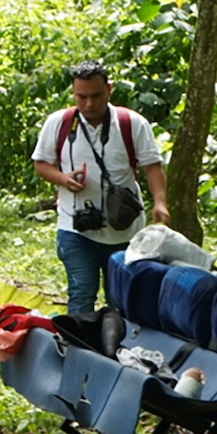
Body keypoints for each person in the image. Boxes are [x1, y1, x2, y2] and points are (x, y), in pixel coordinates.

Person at [31, 60, 170, 315]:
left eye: (96, 96)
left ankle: (117, 351)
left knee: (120, 299)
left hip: (124, 230)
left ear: (109, 90)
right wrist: (63, 179)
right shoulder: (59, 123)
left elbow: (152, 167)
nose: (88, 104)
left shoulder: (132, 123)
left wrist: (160, 202)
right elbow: (41, 164)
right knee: (82, 292)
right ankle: (78, 350)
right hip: (75, 228)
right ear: (73, 93)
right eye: (81, 96)